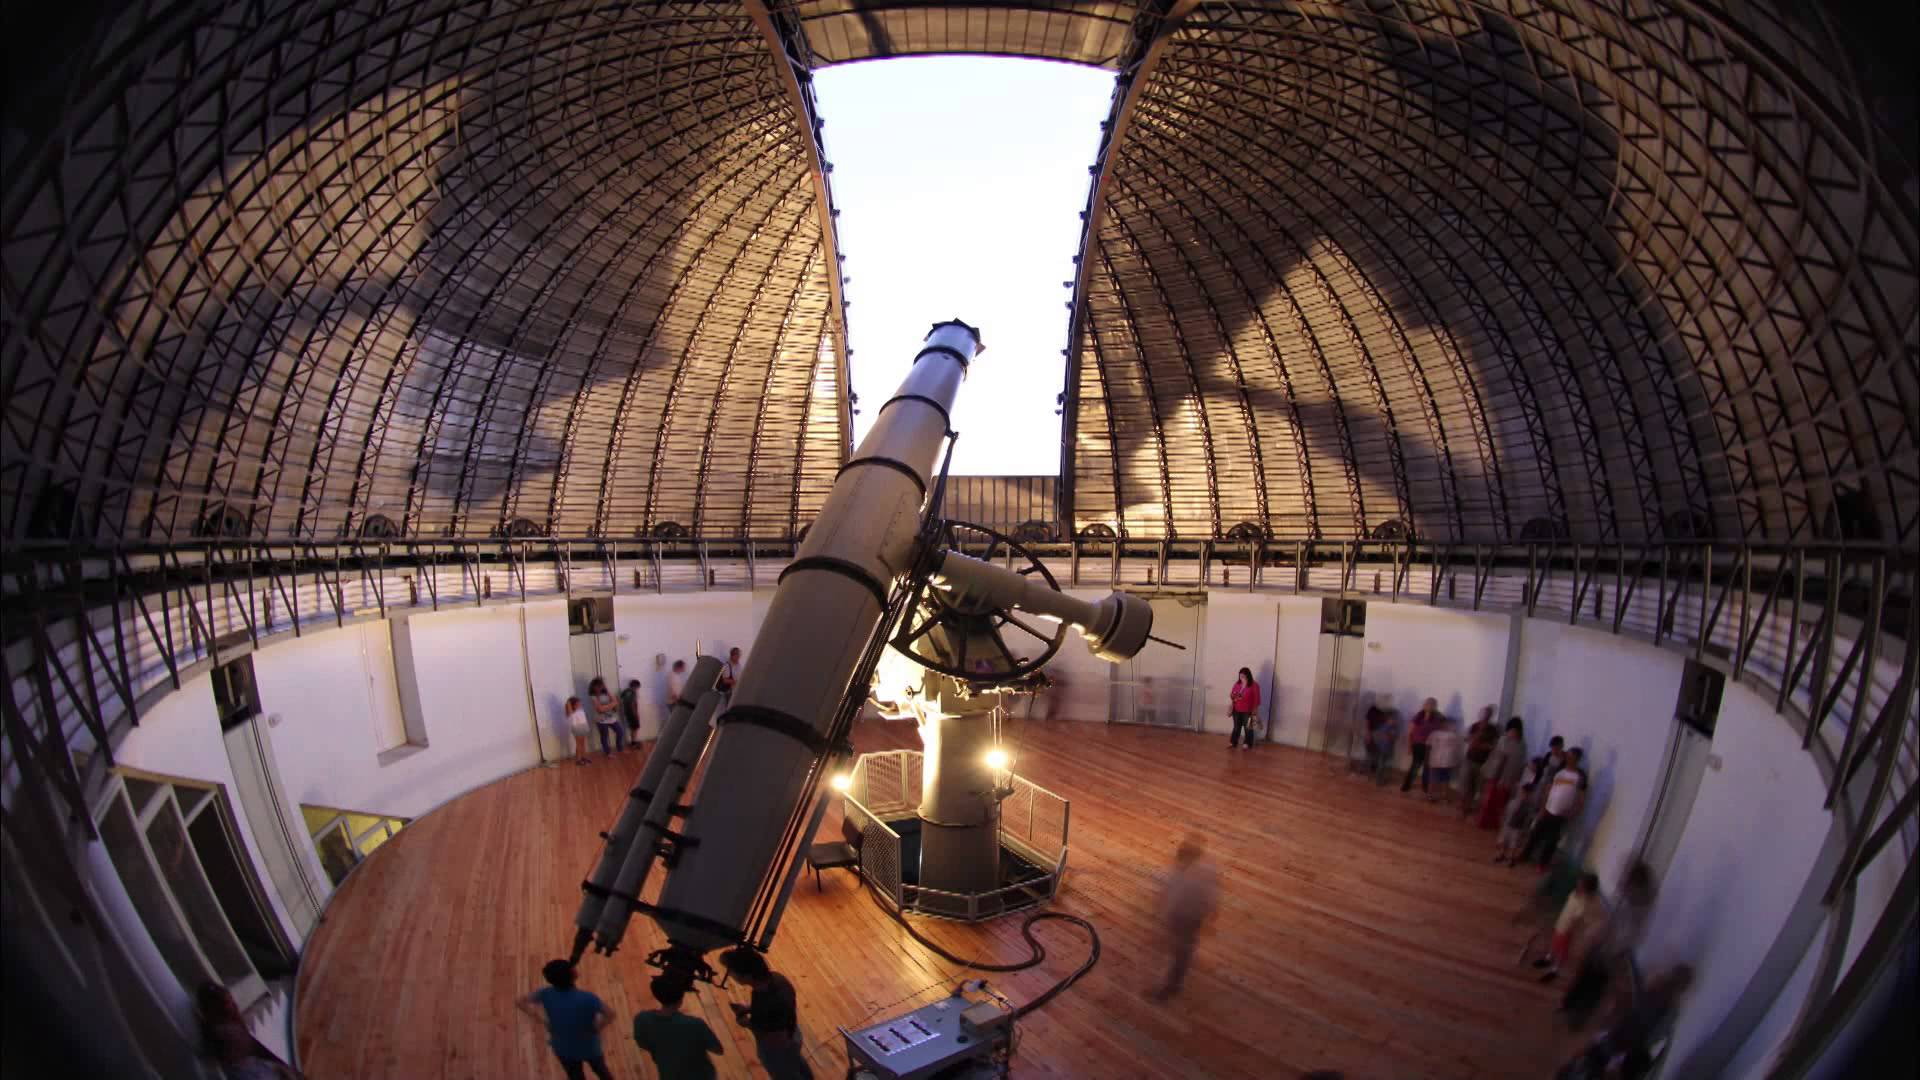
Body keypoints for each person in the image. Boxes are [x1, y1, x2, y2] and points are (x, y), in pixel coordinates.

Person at [1555, 965, 1695, 1080]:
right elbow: (1652, 1032)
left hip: (1625, 1042)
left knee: (1595, 1058)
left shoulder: (1666, 1003)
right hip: (1623, 1039)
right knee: (1595, 1058)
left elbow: (1650, 1031)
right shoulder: (1665, 1001)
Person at [1562, 862, 1657, 1028]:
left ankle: (1579, 1015)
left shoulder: (1639, 908)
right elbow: (1610, 918)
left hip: (1613, 950)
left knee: (1596, 984)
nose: (1624, 884)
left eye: (1629, 882)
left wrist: (1613, 950)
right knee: (1585, 973)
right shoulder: (1624, 897)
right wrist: (1597, 935)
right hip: (1603, 943)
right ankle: (1570, 1002)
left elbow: (1630, 934)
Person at [720, 947, 811, 1080]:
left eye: (731, 971)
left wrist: (746, 1023)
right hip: (793, 1034)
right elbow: (775, 1011)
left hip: (778, 1050)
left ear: (746, 976)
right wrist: (750, 1008)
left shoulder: (763, 999)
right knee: (797, 1064)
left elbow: (774, 1036)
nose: (729, 975)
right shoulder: (777, 978)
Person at [516, 959, 614, 1080]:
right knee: (602, 1072)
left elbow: (520, 1002)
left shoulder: (545, 993)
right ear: (574, 974)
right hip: (589, 1046)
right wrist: (597, 1028)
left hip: (563, 1048)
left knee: (575, 1076)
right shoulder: (588, 998)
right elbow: (610, 1014)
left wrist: (542, 1020)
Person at [1150, 834, 1220, 1001]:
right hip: (1179, 916)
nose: (1180, 863)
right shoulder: (1180, 871)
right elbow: (1169, 891)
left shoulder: (1203, 875)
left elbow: (1210, 897)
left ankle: (1171, 986)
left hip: (1189, 917)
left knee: (1181, 950)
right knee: (1182, 947)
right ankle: (1180, 965)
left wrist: (1210, 915)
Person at [197, 981, 299, 1079]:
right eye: (225, 1004)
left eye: (230, 1001)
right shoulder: (224, 1034)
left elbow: (255, 1048)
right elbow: (252, 1048)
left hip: (255, 1067)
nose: (231, 1005)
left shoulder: (229, 1027)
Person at [632, 973, 723, 1080]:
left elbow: (642, 1044)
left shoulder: (641, 1019)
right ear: (681, 999)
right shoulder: (695, 1024)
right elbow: (718, 1050)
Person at [1524, 746, 1587, 870]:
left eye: (1572, 757)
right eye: (1568, 756)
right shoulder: (1560, 771)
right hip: (1549, 808)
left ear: (1577, 759)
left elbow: (1581, 795)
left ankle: (1542, 863)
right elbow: (1549, 789)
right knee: (1536, 832)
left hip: (1563, 813)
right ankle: (1526, 854)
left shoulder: (1580, 775)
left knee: (1552, 839)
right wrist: (1543, 806)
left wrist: (1575, 811)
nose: (1569, 759)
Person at [1535, 873, 1602, 982]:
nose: (1578, 885)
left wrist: (1581, 931)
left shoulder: (1587, 904)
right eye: (1578, 883)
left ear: (1588, 889)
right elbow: (1568, 908)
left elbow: (1588, 920)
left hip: (1569, 931)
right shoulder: (1575, 894)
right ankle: (1548, 958)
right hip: (1561, 924)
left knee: (1562, 951)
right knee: (1554, 942)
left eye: (1581, 885)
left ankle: (1555, 970)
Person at [1476, 718, 1528, 829]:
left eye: (1514, 731)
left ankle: (1495, 823)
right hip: (1497, 776)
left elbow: (1520, 764)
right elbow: (1497, 759)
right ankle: (1484, 822)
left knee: (1502, 803)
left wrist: (1516, 779)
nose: (1512, 733)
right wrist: (1496, 777)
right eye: (1510, 730)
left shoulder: (1522, 745)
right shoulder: (1503, 741)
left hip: (1510, 778)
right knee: (1490, 801)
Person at [1401, 698, 1444, 794]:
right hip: (1418, 745)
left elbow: (1441, 730)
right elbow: (1410, 732)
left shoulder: (1438, 717)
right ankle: (1406, 786)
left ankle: (1425, 787)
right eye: (1427, 704)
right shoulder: (1419, 716)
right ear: (1424, 705)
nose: (1429, 706)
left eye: (1432, 704)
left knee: (1427, 768)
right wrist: (1409, 746)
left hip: (1430, 747)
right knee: (1415, 766)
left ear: (1435, 706)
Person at [1460, 706, 1498, 815]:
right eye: (1484, 713)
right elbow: (1468, 739)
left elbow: (1493, 746)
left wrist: (1480, 745)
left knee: (1477, 786)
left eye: (1488, 714)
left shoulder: (1493, 729)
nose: (1485, 716)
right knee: (1465, 783)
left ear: (1491, 715)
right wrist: (1477, 736)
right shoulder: (1475, 726)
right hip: (1469, 759)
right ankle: (1464, 806)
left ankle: (1471, 806)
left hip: (1483, 763)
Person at [1425, 717, 1463, 803]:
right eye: (1442, 723)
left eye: (1446, 723)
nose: (1444, 725)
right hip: (1435, 761)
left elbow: (1456, 749)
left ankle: (1444, 796)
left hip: (1448, 762)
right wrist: (1427, 758)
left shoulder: (1453, 735)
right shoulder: (1434, 734)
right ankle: (1430, 795)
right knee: (1433, 780)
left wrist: (1456, 761)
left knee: (1446, 780)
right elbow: (1428, 746)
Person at [588, 677, 625, 755]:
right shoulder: (593, 697)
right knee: (604, 736)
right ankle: (607, 752)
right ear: (593, 687)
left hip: (611, 718)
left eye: (601, 685)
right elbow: (600, 710)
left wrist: (607, 692)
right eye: (597, 686)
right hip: (600, 720)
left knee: (620, 732)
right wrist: (612, 704)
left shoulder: (607, 694)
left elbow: (616, 703)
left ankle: (620, 749)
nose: (599, 688)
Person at [1228, 667, 1261, 749]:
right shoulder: (1237, 684)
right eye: (1240, 676)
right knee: (1236, 727)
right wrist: (1233, 696)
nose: (1241, 677)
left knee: (1248, 728)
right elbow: (1232, 694)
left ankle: (1247, 743)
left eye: (1243, 676)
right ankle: (1233, 742)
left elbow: (1257, 698)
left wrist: (1255, 709)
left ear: (1248, 676)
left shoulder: (1254, 685)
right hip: (1236, 709)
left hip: (1248, 710)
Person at [1364, 703, 1397, 785]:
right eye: (1392, 719)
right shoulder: (1386, 727)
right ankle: (1378, 780)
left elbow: (1390, 737)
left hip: (1382, 748)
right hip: (1382, 748)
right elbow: (1389, 737)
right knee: (1380, 764)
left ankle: (1376, 778)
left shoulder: (1387, 727)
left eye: (1393, 720)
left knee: (1379, 763)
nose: (1393, 721)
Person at [565, 696, 591, 766]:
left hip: (583, 726)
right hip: (577, 728)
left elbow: (583, 718)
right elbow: (569, 707)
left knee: (582, 744)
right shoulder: (571, 712)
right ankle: (578, 760)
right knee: (579, 744)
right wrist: (569, 703)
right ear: (573, 705)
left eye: (579, 703)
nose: (580, 704)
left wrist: (586, 726)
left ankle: (583, 757)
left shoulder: (580, 710)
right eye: (578, 703)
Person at [620, 678, 643, 746]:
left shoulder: (625, 691)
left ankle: (633, 742)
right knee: (635, 728)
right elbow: (632, 704)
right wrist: (636, 714)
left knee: (633, 728)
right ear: (635, 686)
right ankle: (633, 743)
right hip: (632, 713)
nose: (637, 689)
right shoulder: (632, 693)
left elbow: (621, 699)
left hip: (627, 713)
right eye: (637, 687)